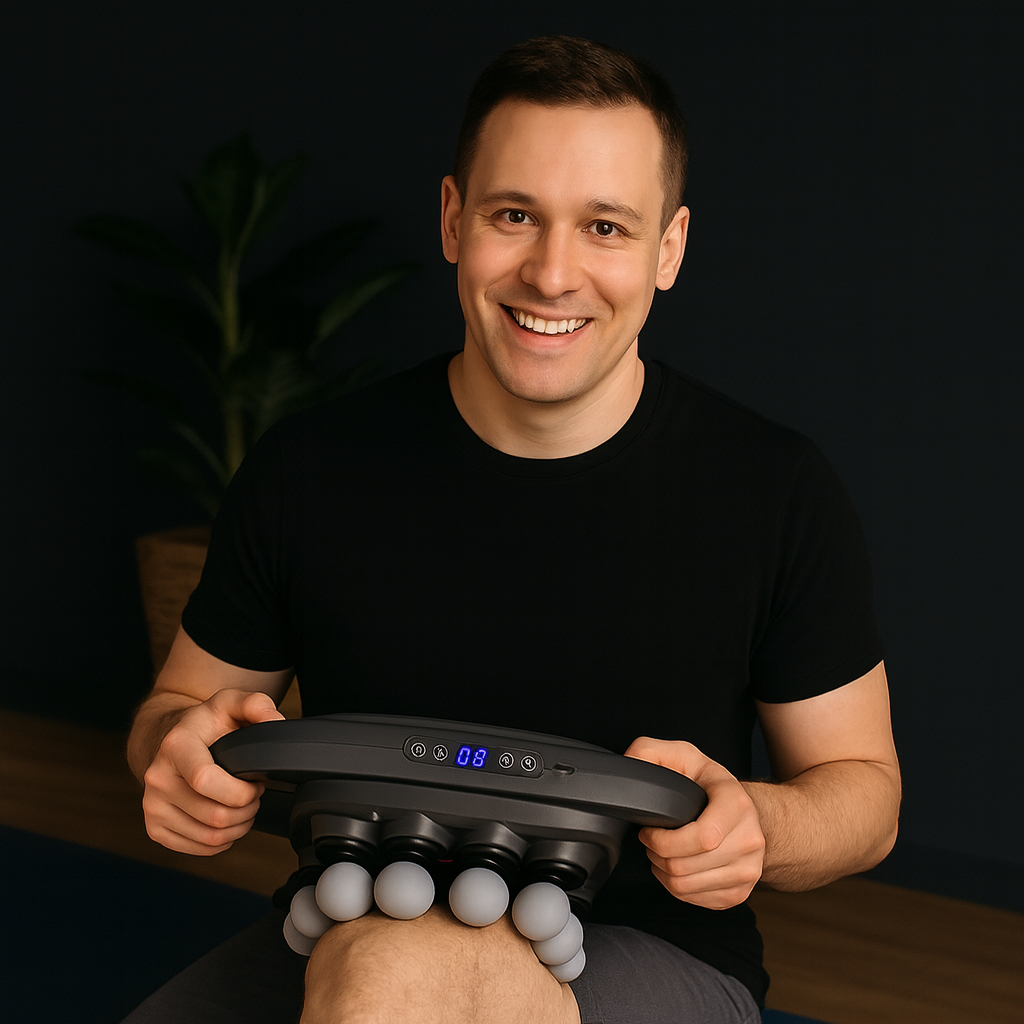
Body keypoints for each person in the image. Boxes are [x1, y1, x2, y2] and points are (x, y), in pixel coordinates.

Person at [124, 35, 900, 1024]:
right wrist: (175, 752)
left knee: (390, 976)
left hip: (643, 948)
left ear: (669, 248)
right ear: (453, 220)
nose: (551, 272)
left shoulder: (774, 487)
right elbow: (182, 703)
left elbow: (864, 794)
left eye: (606, 227)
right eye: (514, 215)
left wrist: (761, 824)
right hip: (343, 913)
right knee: (376, 968)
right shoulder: (310, 464)